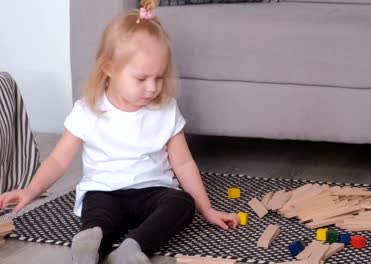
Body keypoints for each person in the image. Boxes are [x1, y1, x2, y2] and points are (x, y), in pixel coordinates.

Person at [0, 1, 239, 263]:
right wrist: (30, 190)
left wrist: (207, 209)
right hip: (104, 192)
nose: (152, 88)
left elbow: (182, 162)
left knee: (181, 204)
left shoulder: (166, 110)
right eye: (141, 79)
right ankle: (91, 242)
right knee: (99, 214)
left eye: (159, 78)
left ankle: (133, 246)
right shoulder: (88, 111)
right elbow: (58, 160)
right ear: (109, 69)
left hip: (153, 191)